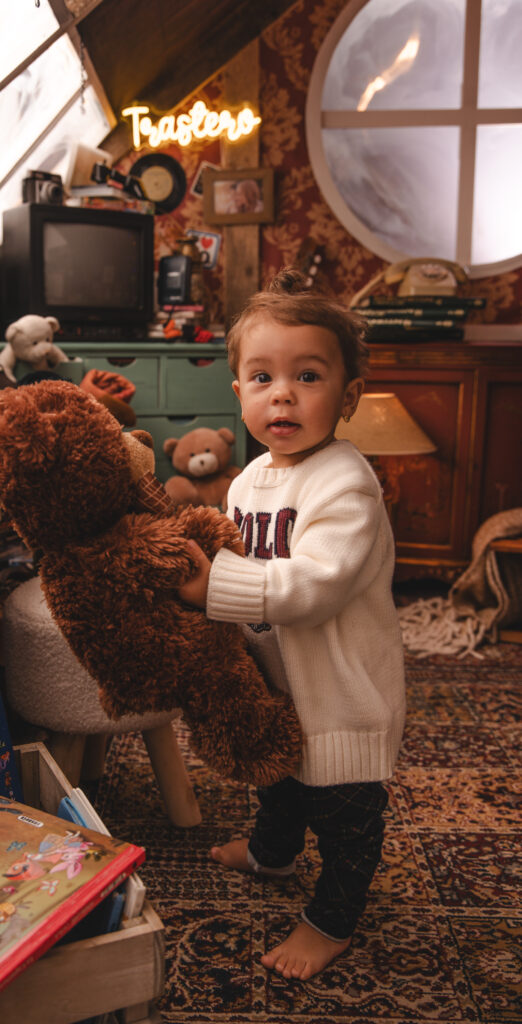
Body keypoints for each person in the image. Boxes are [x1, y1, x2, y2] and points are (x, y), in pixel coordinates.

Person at [178, 266, 406, 981]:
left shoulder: (346, 481)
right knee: (276, 783)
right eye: (262, 376)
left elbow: (313, 586)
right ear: (239, 390)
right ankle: (273, 853)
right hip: (276, 685)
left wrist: (215, 587)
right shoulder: (248, 480)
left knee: (343, 819)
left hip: (340, 693)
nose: (283, 393)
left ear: (348, 396)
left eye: (308, 376)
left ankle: (331, 920)